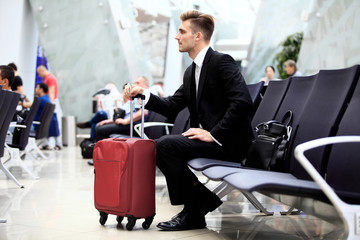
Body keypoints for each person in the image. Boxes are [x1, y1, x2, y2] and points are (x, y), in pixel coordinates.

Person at [126, 10, 253, 231]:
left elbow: (242, 102)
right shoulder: (191, 71)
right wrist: (142, 94)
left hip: (229, 143)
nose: (177, 36)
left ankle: (195, 208)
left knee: (163, 146)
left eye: (182, 31)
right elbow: (172, 105)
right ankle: (197, 204)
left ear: (198, 36)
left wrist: (213, 134)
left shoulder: (221, 62)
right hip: (211, 141)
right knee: (161, 146)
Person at [94, 76, 150, 141]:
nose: (135, 85)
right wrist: (109, 121)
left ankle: (99, 150)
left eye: (138, 83)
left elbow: (144, 112)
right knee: (99, 126)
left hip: (134, 126)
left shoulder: (146, 95)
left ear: (146, 85)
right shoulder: (135, 97)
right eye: (135, 83)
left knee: (101, 130)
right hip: (126, 124)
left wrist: (125, 121)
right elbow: (124, 114)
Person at [37, 65, 62, 150]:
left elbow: (51, 92)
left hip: (52, 101)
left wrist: (50, 105)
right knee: (48, 122)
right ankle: (45, 143)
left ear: (42, 71)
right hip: (51, 101)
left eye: (39, 73)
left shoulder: (50, 78)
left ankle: (58, 143)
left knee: (53, 122)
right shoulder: (47, 78)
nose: (39, 75)